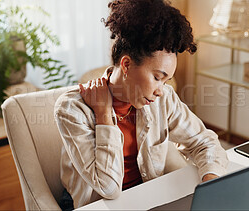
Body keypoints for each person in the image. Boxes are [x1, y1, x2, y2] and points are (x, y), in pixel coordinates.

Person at [54, 0, 228, 209]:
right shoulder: (72, 109)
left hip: (145, 196)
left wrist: (211, 182)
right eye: (157, 77)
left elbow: (205, 141)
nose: (161, 90)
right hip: (95, 204)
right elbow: (108, 188)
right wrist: (103, 114)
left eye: (166, 80)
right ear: (126, 65)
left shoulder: (162, 99)